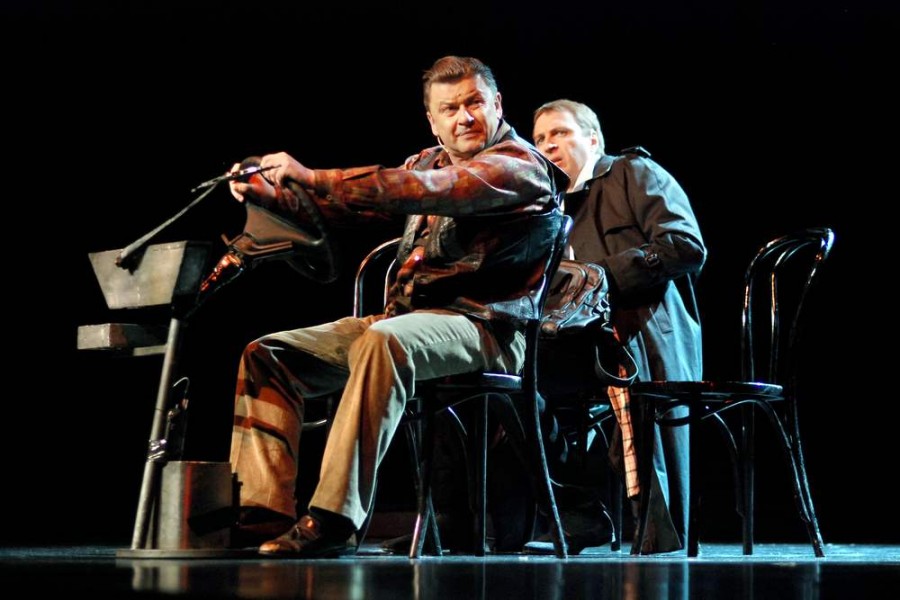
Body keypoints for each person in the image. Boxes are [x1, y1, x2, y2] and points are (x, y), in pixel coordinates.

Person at [225, 56, 567, 558]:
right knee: (269, 355)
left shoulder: (519, 166)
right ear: (432, 121)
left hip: (486, 327)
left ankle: (334, 519)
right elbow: (352, 206)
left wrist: (310, 175)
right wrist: (273, 193)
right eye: (449, 109)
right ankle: (262, 515)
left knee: (383, 342)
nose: (464, 117)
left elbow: (426, 192)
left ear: (497, 104)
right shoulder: (426, 161)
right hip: (405, 324)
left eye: (474, 103)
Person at [528, 99, 706, 554]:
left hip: (640, 329)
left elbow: (685, 245)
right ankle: (578, 510)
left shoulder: (632, 173)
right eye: (540, 139)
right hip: (571, 340)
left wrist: (601, 275)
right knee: (513, 381)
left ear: (593, 139)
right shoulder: (547, 209)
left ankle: (654, 528)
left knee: (623, 375)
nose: (548, 145)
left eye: (560, 133)